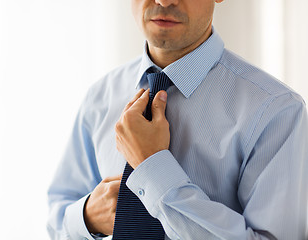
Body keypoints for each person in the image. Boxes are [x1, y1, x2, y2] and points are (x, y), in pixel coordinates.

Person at [47, 0, 308, 239]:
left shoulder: (277, 111)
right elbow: (57, 220)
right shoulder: (100, 96)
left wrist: (151, 166)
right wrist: (87, 217)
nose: (163, 1)